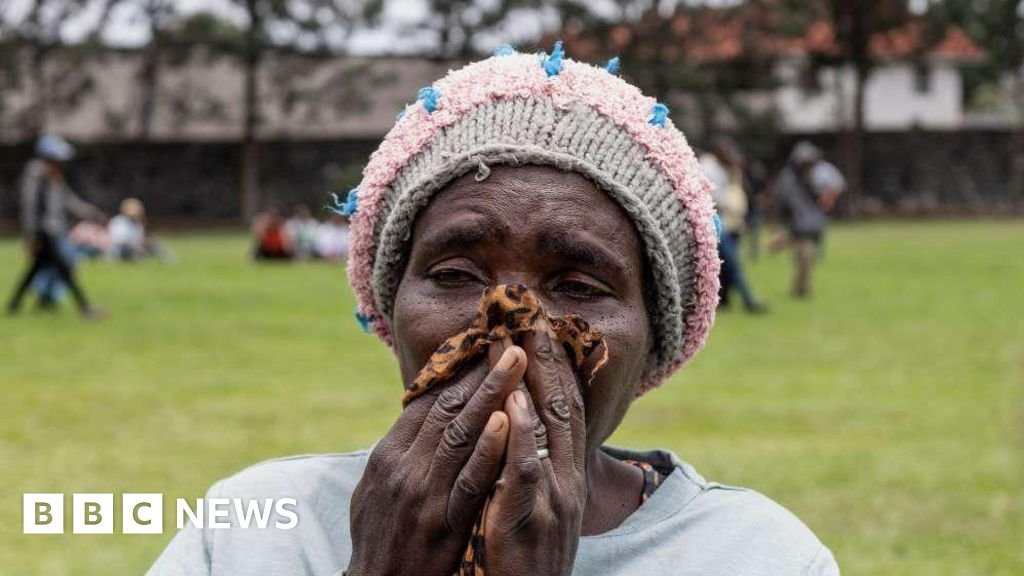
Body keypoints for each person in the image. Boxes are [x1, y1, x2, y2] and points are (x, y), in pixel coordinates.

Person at [148, 47, 838, 576]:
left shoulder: (756, 556)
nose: (509, 320)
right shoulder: (254, 533)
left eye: (578, 285)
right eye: (454, 273)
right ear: (390, 308)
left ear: (657, 344)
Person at [6, 134, 105, 318]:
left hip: (53, 231)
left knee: (34, 270)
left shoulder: (54, 177)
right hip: (44, 232)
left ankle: (17, 305)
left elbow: (69, 201)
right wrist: (31, 235)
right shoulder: (35, 175)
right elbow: (29, 207)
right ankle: (85, 308)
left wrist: (91, 213)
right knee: (65, 268)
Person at [700, 138, 767, 314]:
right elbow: (711, 195)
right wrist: (729, 204)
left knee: (725, 266)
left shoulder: (728, 169)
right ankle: (749, 301)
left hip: (733, 223)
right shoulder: (708, 168)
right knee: (733, 264)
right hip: (718, 224)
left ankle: (723, 301)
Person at [773, 141, 844, 298]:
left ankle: (800, 289)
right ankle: (802, 291)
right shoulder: (788, 180)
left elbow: (821, 198)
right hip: (797, 227)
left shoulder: (810, 178)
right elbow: (783, 205)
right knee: (805, 256)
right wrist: (782, 227)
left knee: (806, 257)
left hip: (811, 226)